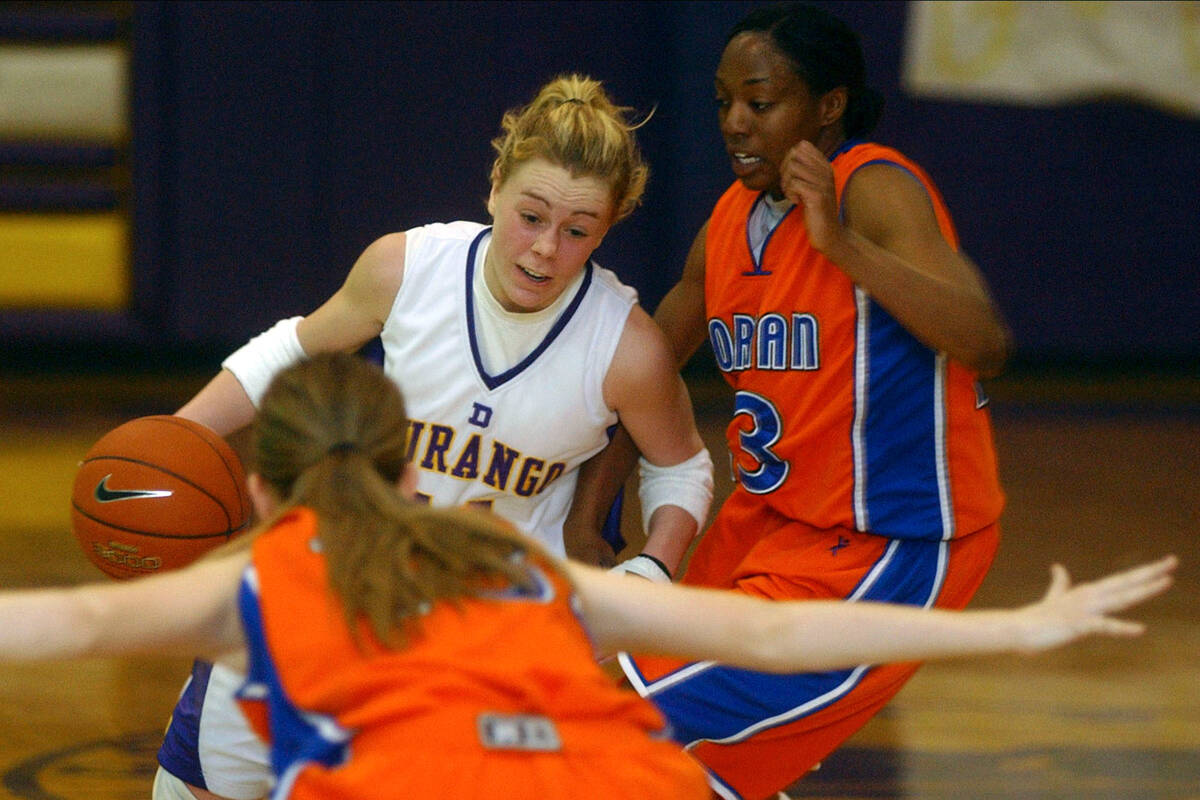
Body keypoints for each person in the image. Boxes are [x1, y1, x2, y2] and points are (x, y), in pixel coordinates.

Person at [0, 353, 1177, 800]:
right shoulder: (510, 552)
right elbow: (758, 634)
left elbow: (68, 618)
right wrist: (1020, 626)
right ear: (414, 465)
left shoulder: (248, 589)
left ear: (259, 492)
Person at [154, 75, 715, 800]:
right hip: (336, 580)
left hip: (484, 633)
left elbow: (682, 468)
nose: (545, 248)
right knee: (190, 788)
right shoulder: (407, 267)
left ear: (606, 230)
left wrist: (654, 570)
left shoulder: (624, 348)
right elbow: (289, 353)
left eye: (577, 230)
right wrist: (173, 437)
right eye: (531, 215)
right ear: (495, 188)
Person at [565, 4, 1018, 798]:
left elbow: (984, 341)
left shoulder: (872, 188)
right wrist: (589, 510)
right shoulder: (729, 222)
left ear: (828, 106)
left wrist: (840, 247)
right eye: (723, 104)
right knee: (668, 770)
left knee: (599, 709)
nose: (736, 123)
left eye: (760, 103)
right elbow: (648, 366)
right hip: (768, 528)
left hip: (888, 543)